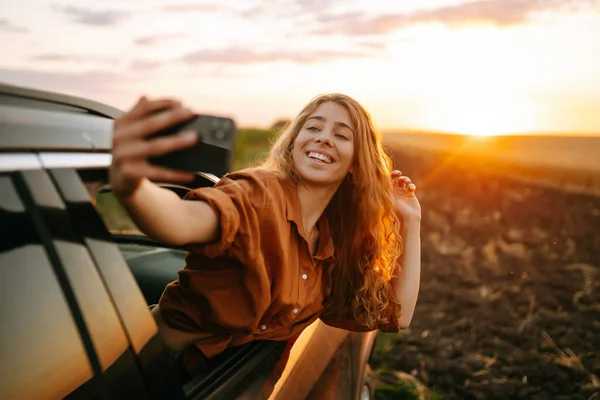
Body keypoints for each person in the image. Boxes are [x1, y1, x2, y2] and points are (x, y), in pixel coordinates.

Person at [109, 93, 421, 395]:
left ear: (356, 162)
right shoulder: (258, 193)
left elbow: (398, 316)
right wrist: (132, 186)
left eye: (341, 135)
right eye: (312, 127)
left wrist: (411, 219)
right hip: (143, 372)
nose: (323, 138)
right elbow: (181, 220)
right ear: (294, 142)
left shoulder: (332, 243)